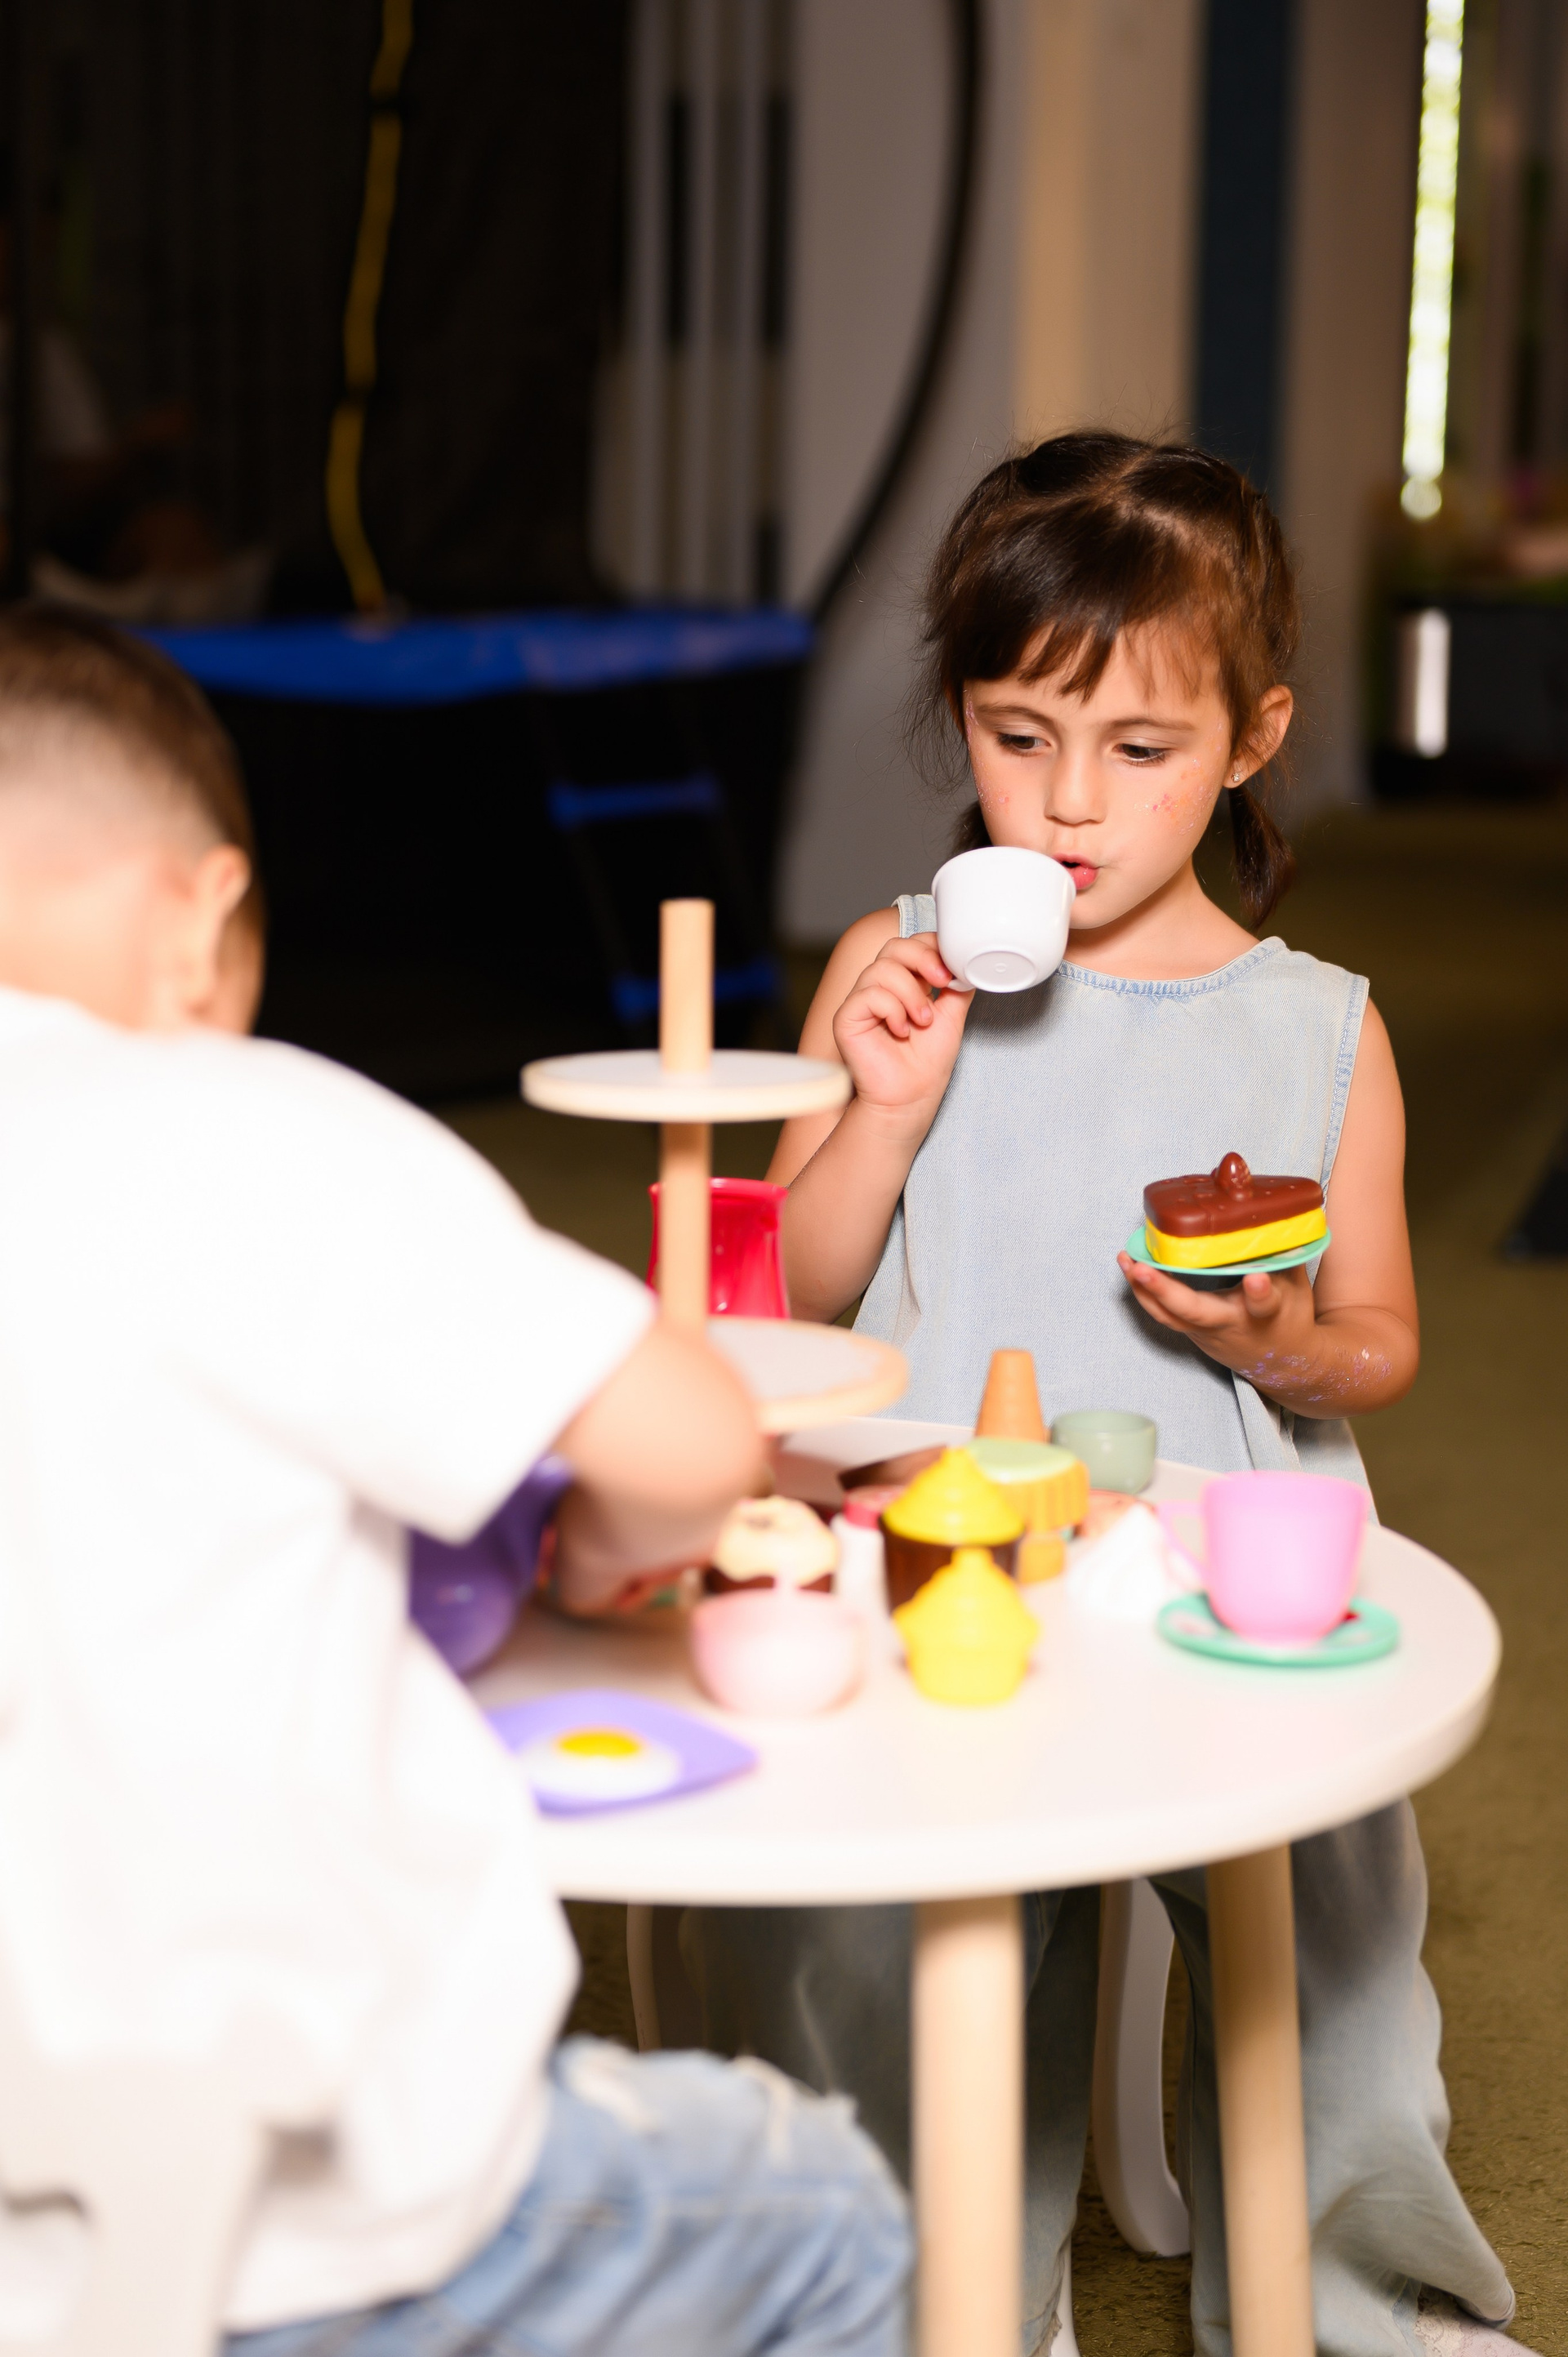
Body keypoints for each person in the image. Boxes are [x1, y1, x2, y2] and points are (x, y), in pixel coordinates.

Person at [682, 434, 1526, 2357]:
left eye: (1139, 748)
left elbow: (1382, 1337)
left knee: (1340, 1947)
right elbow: (791, 1300)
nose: (1069, 804)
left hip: (1225, 1575)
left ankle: (1358, 2302)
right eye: (1018, 736)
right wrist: (882, 1112)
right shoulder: (896, 973)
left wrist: (1278, 1344)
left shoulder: (1322, 1026)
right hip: (940, 1565)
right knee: (884, 1960)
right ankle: (942, 2312)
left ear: (1250, 741)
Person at [0, 608, 911, 2357]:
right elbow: (693, 1437)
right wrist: (602, 1551)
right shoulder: (240, 1125)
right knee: (829, 2215)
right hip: (297, 2220)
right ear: (200, 919)